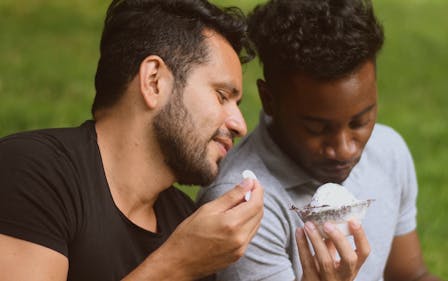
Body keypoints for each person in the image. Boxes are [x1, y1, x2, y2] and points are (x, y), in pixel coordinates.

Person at [0, 0, 267, 280]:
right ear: (154, 81)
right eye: (222, 96)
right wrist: (176, 265)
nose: (240, 125)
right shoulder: (31, 173)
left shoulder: (187, 222)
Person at [197, 0, 445, 280]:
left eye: (360, 122)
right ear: (269, 101)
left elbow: (410, 275)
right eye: (317, 128)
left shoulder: (388, 151)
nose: (343, 148)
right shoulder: (244, 207)